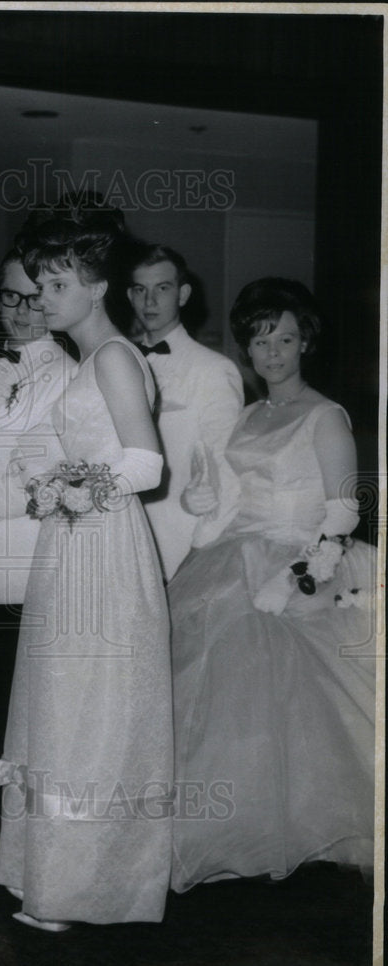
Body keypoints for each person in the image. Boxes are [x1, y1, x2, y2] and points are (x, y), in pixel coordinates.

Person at [0, 206, 173, 931]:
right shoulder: (88, 360)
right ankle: (48, 878)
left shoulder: (116, 357)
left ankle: (82, 888)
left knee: (92, 715)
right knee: (63, 710)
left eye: (58, 281)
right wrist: (52, 480)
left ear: (98, 287)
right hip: (74, 544)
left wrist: (73, 484)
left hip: (103, 548)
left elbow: (146, 462)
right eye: (40, 281)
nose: (43, 296)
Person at [169, 277, 376, 892]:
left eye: (285, 338)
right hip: (232, 556)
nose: (272, 352)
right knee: (206, 688)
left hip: (303, 563)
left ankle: (287, 830)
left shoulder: (325, 415)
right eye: (260, 341)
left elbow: (343, 513)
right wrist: (197, 504)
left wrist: (297, 579)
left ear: (305, 342)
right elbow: (230, 499)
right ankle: (222, 826)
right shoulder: (249, 415)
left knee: (276, 688)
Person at [0, 248, 76, 801]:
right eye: (11, 296)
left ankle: (5, 858)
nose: (24, 311)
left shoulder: (68, 377)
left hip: (23, 578)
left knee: (12, 729)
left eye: (36, 297)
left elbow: (35, 484)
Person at [126, 244, 243, 581]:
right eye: (140, 289)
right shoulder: (119, 363)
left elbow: (226, 470)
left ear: (183, 294)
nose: (150, 302)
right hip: (123, 540)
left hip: (179, 546)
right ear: (129, 296)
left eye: (162, 288)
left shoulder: (213, 370)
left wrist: (200, 552)